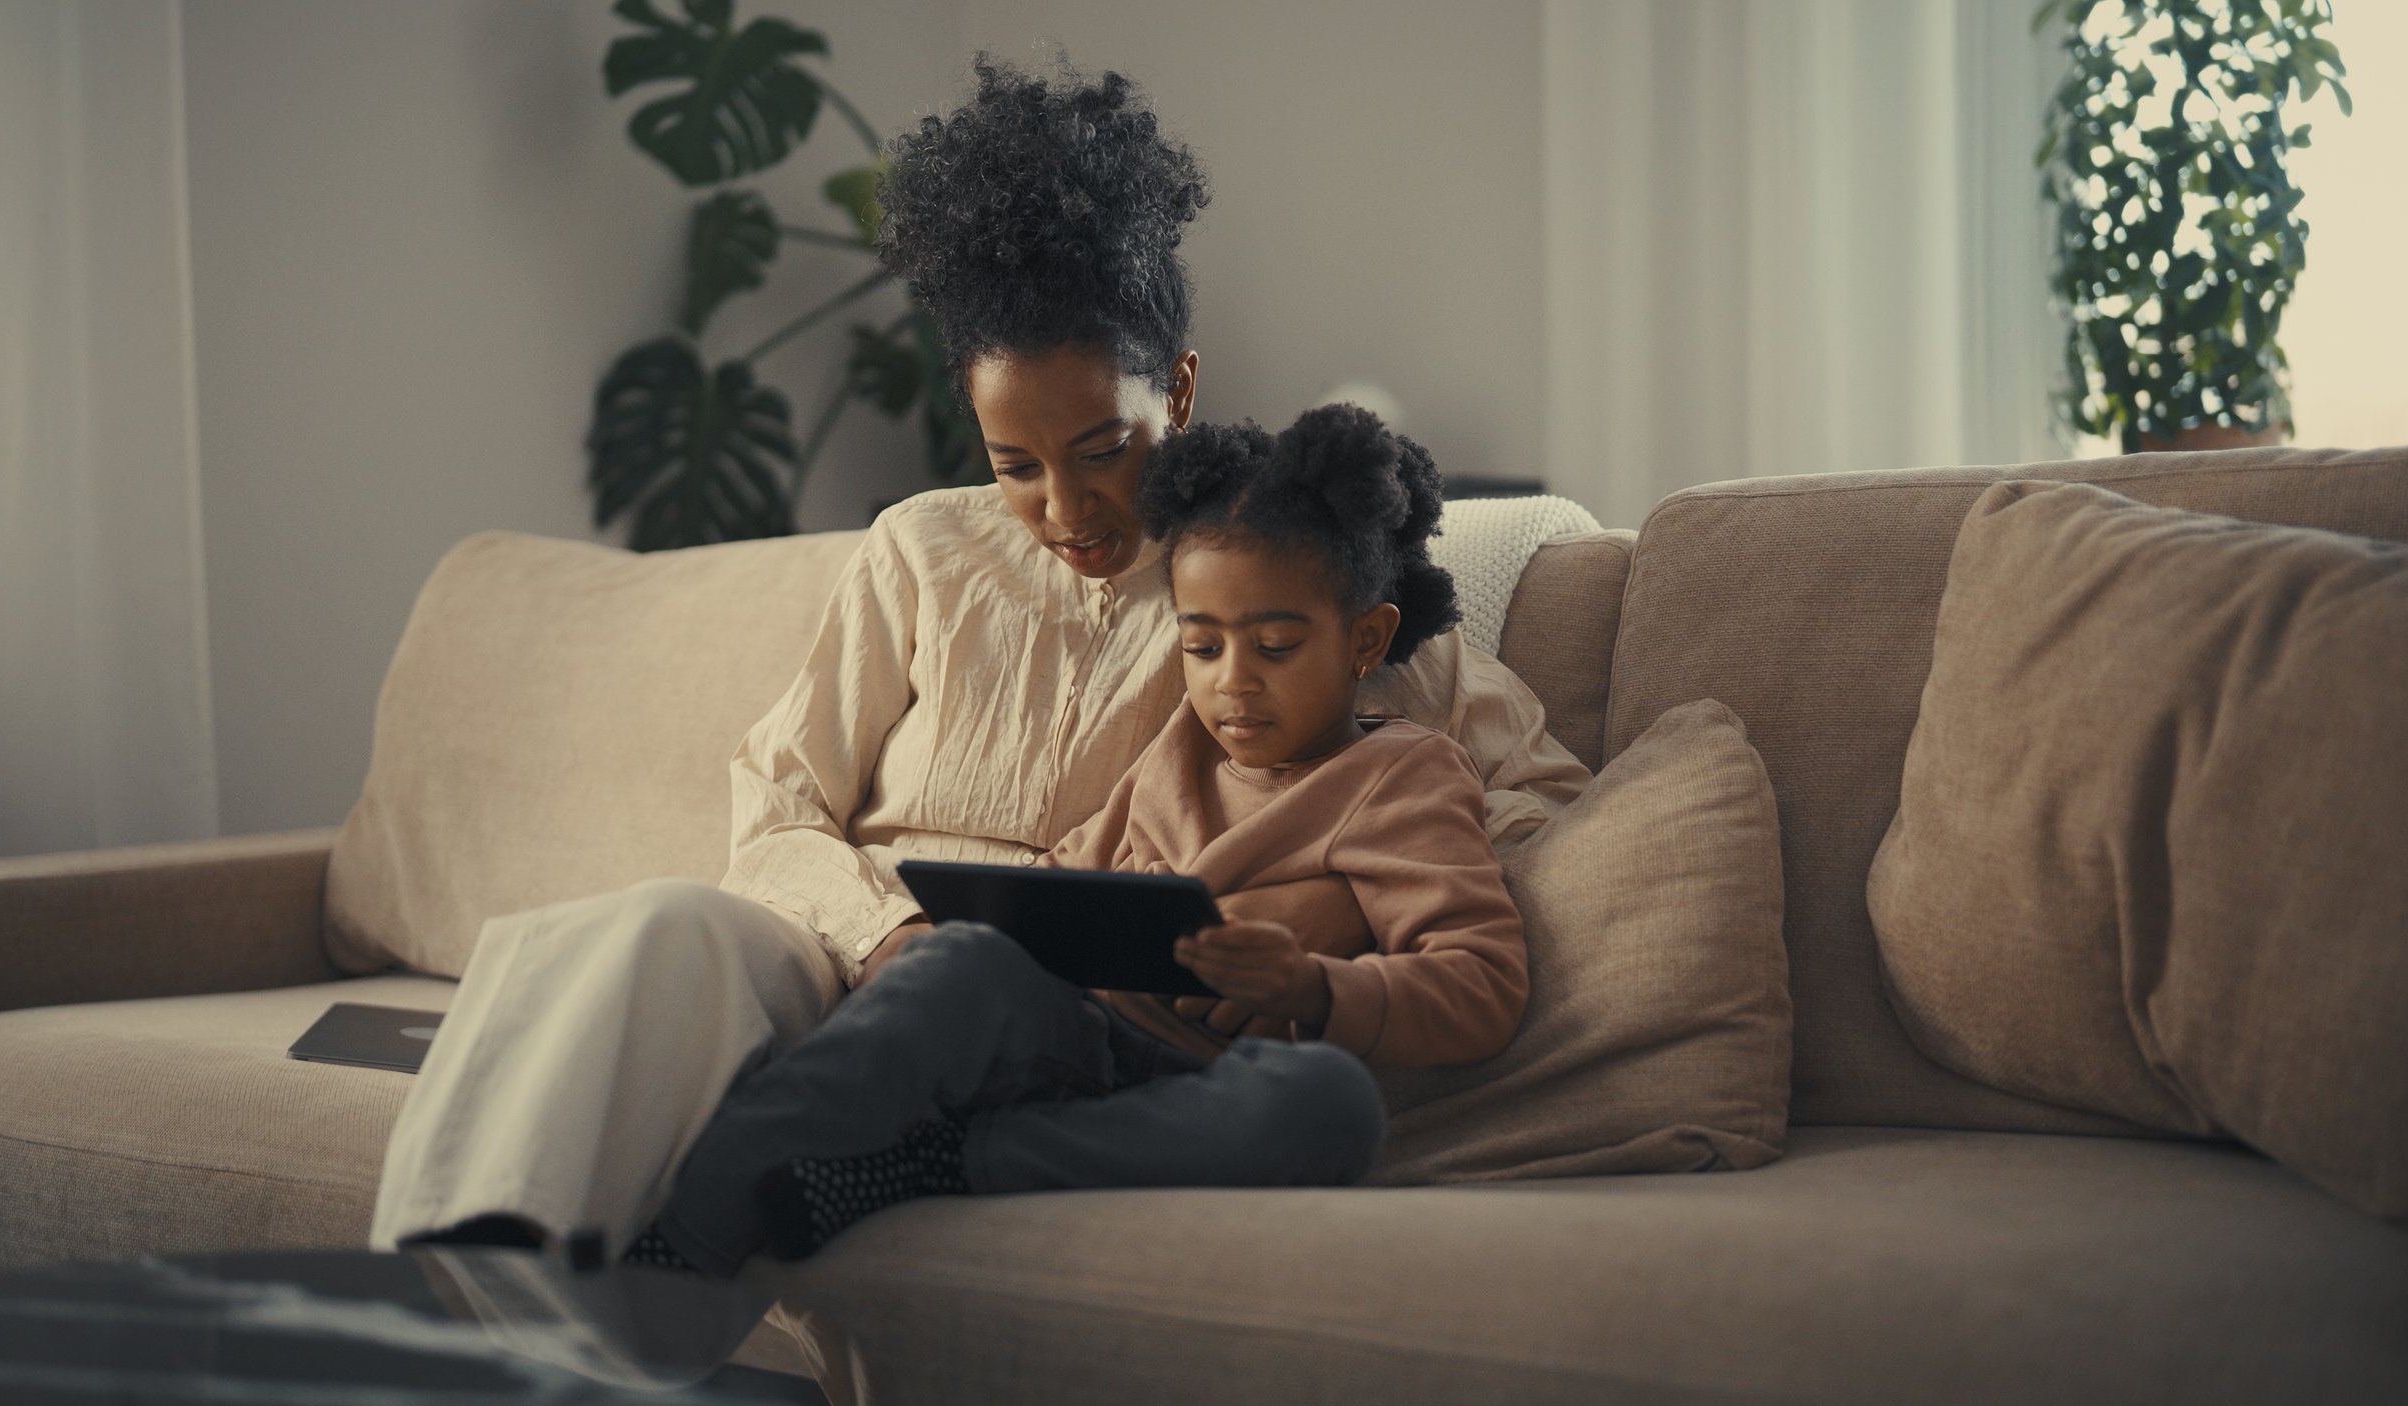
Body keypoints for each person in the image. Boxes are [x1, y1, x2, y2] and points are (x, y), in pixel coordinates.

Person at [367, 59, 1588, 1262]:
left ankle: (743, 1226)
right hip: (858, 959)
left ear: (1179, 386)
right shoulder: (917, 551)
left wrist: (1327, 937)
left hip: (1106, 1027)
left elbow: (1527, 793)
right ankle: (486, 1259)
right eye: (1015, 465)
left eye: (1105, 446)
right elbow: (778, 805)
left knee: (1299, 1098)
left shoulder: (1272, 576)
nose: (1064, 507)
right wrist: (888, 928)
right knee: (645, 933)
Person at [628, 406, 1526, 1273]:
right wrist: (985, 925)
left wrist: (1316, 985)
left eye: (1277, 647)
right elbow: (1065, 876)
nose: (1233, 686)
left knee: (1328, 1109)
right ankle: (689, 1226)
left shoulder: (1407, 777)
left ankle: (954, 1164)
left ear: (1366, 639)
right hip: (1075, 1032)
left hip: (1206, 1080)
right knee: (953, 967)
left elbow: (1482, 982)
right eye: (1202, 647)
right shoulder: (1178, 748)